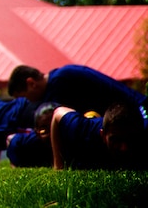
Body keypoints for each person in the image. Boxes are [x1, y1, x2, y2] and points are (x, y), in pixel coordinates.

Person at [45, 102, 148, 170]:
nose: (124, 148)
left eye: (130, 139)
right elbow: (57, 113)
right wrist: (58, 165)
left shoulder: (144, 132)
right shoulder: (82, 129)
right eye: (115, 140)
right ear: (103, 135)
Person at [8, 64, 148, 113]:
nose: (28, 102)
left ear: (31, 83)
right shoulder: (58, 78)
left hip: (138, 110)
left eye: (25, 97)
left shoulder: (59, 83)